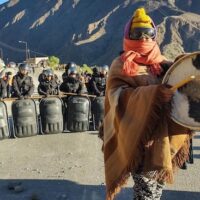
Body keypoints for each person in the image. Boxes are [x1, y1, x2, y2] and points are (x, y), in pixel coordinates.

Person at [99, 8, 191, 200]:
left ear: (155, 35)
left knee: (155, 190)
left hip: (162, 141)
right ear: (128, 36)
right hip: (137, 140)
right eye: (137, 33)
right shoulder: (120, 65)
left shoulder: (163, 63)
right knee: (147, 193)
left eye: (148, 33)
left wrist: (185, 65)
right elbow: (117, 97)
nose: (144, 38)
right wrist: (154, 93)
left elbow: (178, 80)